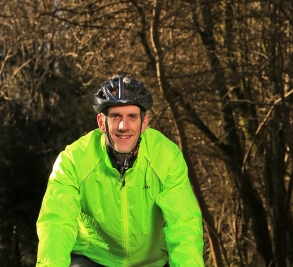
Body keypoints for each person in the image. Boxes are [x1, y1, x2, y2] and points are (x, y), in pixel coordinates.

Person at [36, 75, 204, 267]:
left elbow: (183, 224)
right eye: (116, 116)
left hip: (152, 262)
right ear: (101, 122)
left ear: (144, 123)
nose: (124, 126)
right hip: (93, 259)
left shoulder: (167, 156)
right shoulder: (73, 161)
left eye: (132, 117)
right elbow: (56, 224)